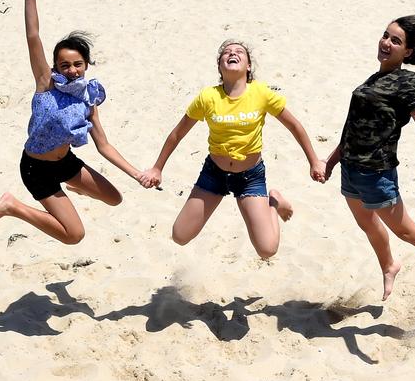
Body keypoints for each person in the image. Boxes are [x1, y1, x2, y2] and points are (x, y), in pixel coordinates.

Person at [0, 0, 142, 244]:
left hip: (65, 163)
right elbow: (33, 36)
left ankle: (73, 186)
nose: (71, 70)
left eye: (77, 64)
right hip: (36, 168)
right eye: (65, 65)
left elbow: (103, 145)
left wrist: (137, 174)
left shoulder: (88, 99)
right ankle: (12, 206)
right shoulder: (45, 84)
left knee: (114, 198)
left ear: (86, 64)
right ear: (55, 67)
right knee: (74, 235)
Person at [324, 16, 415, 300]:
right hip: (351, 169)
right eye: (385, 36)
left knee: (406, 230)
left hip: (377, 173)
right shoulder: (373, 79)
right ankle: (389, 265)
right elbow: (351, 128)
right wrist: (331, 162)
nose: (386, 43)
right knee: (366, 223)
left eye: (395, 41)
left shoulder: (406, 81)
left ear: (408, 52)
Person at [139, 40, 326, 259]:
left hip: (250, 176)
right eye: (226, 53)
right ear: (219, 66)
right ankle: (265, 202)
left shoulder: (261, 93)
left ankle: (273, 202)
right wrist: (157, 168)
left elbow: (295, 126)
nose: (232, 53)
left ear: (248, 66)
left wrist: (314, 161)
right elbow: (176, 134)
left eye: (239, 52)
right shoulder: (208, 98)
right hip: (214, 174)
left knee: (267, 250)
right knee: (180, 236)